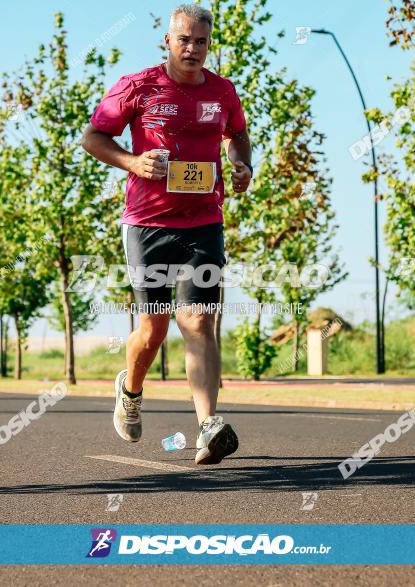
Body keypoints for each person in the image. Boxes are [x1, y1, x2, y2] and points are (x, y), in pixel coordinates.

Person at [82, 3, 252, 465]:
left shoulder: (223, 91)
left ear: (209, 44)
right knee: (152, 330)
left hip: (203, 221)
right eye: (184, 40)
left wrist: (242, 165)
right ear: (168, 42)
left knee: (197, 320)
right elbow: (94, 138)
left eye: (201, 41)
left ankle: (207, 426)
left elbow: (238, 134)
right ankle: (131, 389)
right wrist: (133, 162)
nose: (192, 48)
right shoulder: (138, 87)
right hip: (147, 223)